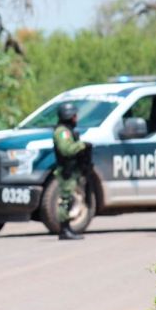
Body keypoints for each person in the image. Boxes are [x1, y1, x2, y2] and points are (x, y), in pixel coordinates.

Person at [53, 103, 91, 240]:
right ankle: (64, 229)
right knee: (66, 200)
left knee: (69, 198)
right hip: (66, 170)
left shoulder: (67, 130)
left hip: (71, 169)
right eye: (74, 115)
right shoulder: (62, 132)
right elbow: (66, 150)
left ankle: (67, 228)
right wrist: (81, 145)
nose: (76, 118)